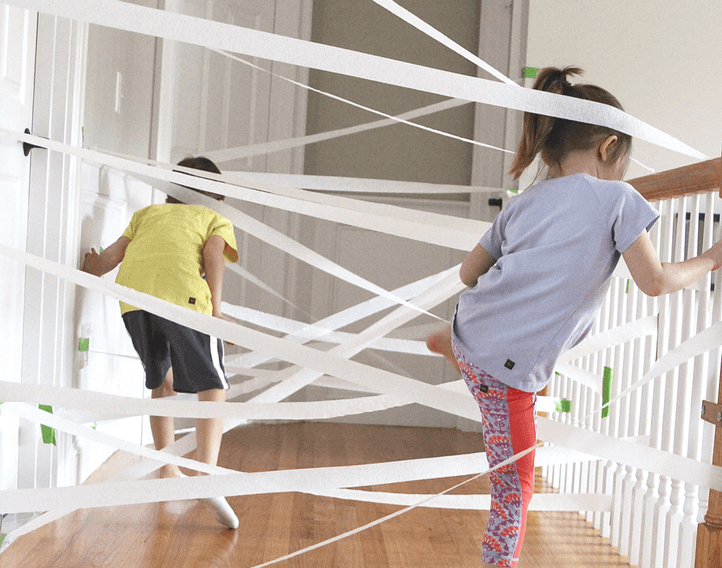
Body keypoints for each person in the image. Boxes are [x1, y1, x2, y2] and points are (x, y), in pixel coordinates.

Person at [426, 66, 722, 568]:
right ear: (609, 147)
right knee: (515, 487)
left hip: (473, 327)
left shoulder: (524, 203)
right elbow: (655, 283)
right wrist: (712, 258)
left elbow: (467, 273)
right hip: (506, 373)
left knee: (491, 369)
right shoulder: (617, 200)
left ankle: (456, 344)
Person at [82, 156, 240, 530]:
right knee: (212, 384)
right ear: (215, 198)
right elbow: (212, 256)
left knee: (161, 382)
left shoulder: (147, 214)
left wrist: (92, 266)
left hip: (134, 300)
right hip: (181, 297)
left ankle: (168, 469)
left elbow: (110, 259)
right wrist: (215, 312)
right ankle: (205, 476)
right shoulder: (215, 219)